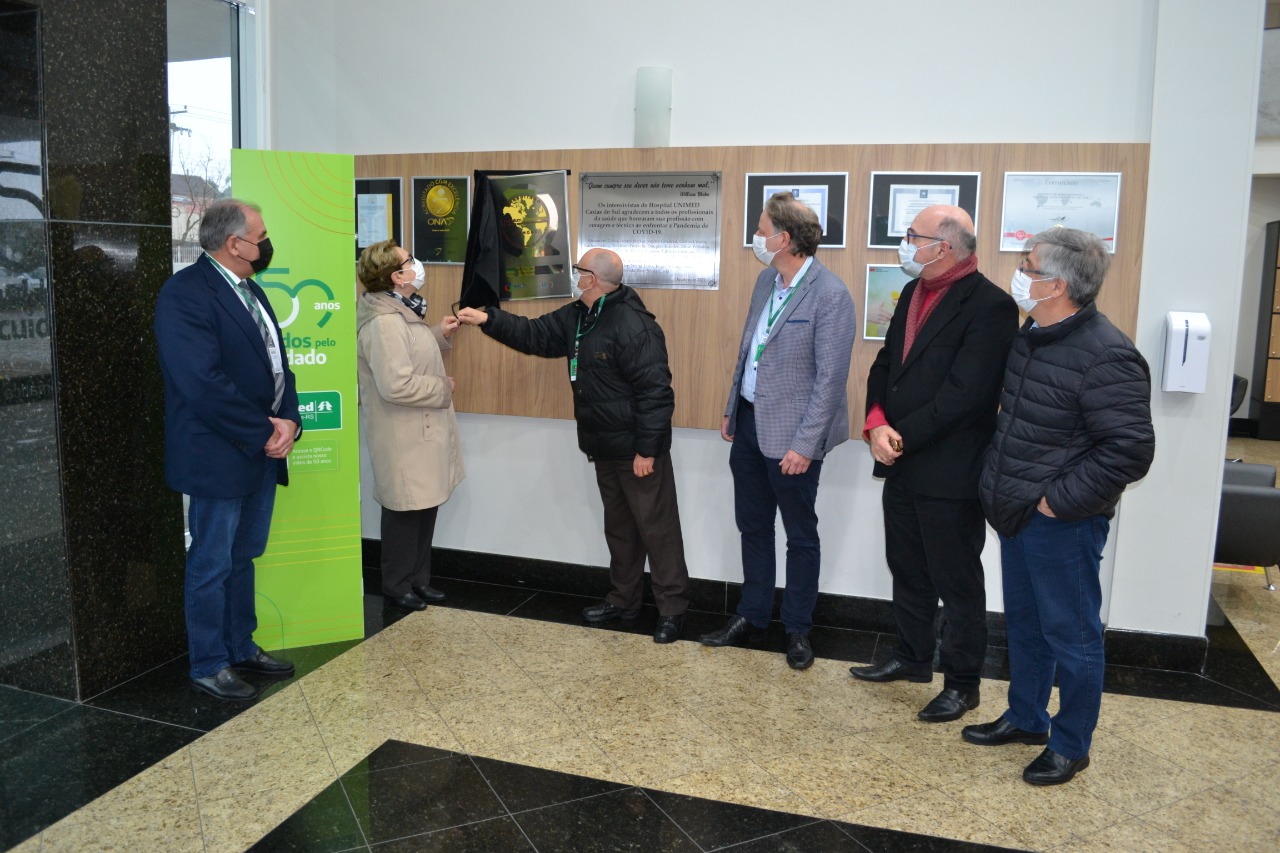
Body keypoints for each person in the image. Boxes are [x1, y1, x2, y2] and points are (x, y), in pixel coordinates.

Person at [968, 227, 1154, 785]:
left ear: (1057, 286)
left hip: (1061, 523)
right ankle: (1027, 717)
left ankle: (1071, 744)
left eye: (1028, 266)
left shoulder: (1109, 355)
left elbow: (1129, 451)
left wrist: (1057, 503)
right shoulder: (1034, 333)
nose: (1018, 274)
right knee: (1025, 625)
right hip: (1017, 512)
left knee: (1072, 637)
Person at [455, 248, 691, 643]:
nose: (574, 275)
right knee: (620, 530)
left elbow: (656, 392)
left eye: (579, 270)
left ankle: (672, 610)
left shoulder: (634, 324)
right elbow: (534, 335)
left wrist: (647, 451)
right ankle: (623, 602)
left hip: (637, 452)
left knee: (658, 531)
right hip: (603, 446)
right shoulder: (578, 315)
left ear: (593, 280)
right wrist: (487, 318)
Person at [849, 205, 1018, 723]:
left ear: (943, 247)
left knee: (956, 580)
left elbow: (967, 395)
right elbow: (885, 367)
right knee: (907, 568)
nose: (904, 243)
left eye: (912, 236)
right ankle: (912, 657)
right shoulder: (913, 291)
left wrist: (898, 439)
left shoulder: (991, 306)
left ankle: (963, 684)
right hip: (899, 461)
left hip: (950, 470)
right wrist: (876, 421)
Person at [700, 192, 855, 670]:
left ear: (784, 238)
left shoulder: (831, 295)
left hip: (793, 438)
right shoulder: (767, 280)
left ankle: (798, 629)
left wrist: (805, 445)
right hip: (749, 424)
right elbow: (751, 349)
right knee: (753, 526)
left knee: (800, 535)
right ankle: (752, 615)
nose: (757, 237)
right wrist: (732, 409)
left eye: (762, 228)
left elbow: (830, 380)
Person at [154, 198, 300, 702]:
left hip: (260, 450)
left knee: (244, 556)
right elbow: (201, 383)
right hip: (218, 453)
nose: (265, 242)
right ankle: (209, 662)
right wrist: (264, 430)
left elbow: (279, 365)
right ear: (234, 243)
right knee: (212, 562)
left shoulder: (250, 288)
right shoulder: (185, 294)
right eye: (260, 235)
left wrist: (291, 423)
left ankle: (241, 646)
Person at [356, 240, 464, 612]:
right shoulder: (384, 321)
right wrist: (441, 389)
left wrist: (438, 334)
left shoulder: (401, 309)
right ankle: (396, 585)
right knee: (405, 511)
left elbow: (408, 350)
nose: (417, 265)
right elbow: (395, 384)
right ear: (396, 276)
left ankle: (418, 581)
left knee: (424, 505)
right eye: (409, 261)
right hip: (403, 434)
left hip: (420, 431)